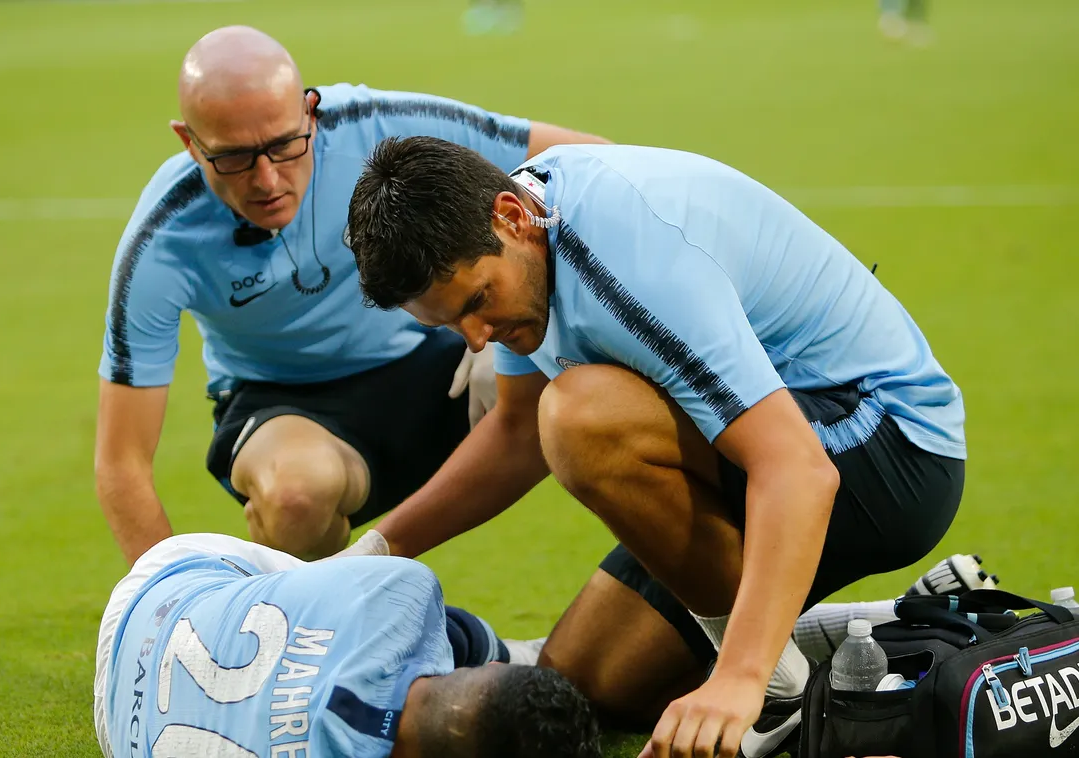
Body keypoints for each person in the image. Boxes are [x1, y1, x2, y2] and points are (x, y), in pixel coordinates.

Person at [342, 138, 968, 757]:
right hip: (773, 447)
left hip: (886, 442)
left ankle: (780, 695)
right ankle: (898, 623)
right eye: (449, 323)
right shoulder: (518, 237)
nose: (476, 338)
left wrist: (741, 680)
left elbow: (797, 469)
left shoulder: (624, 256)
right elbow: (513, 434)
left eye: (478, 303)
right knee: (592, 681)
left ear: (511, 217)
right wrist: (368, 554)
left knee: (579, 416)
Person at [95, 26, 609, 565]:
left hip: (438, 364)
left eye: (284, 145)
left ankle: (679, 615)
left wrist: (516, 334)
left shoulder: (377, 126)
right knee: (296, 495)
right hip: (283, 403)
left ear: (310, 111)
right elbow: (122, 463)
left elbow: (585, 164)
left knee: (598, 394)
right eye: (234, 158)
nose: (267, 179)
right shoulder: (163, 238)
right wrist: (165, 611)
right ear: (189, 143)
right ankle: (302, 637)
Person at [92, 533, 602, 758]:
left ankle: (516, 653)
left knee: (333, 599)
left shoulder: (402, 589)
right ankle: (519, 652)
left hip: (156, 597)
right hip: (119, 735)